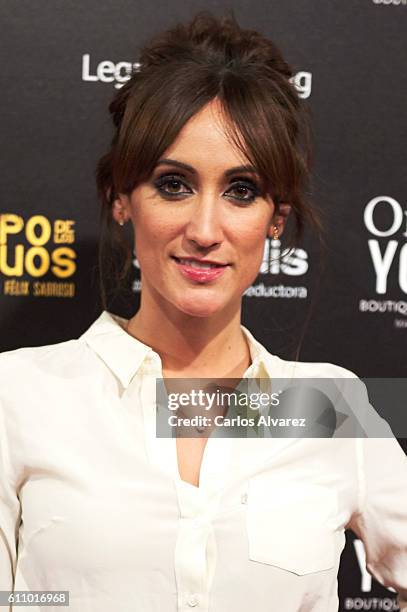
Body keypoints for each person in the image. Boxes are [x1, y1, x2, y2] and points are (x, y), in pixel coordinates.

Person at [1, 10, 407, 612]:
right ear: (120, 199)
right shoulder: (19, 392)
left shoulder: (330, 406)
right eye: (174, 184)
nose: (205, 229)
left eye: (241, 191)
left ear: (274, 219)